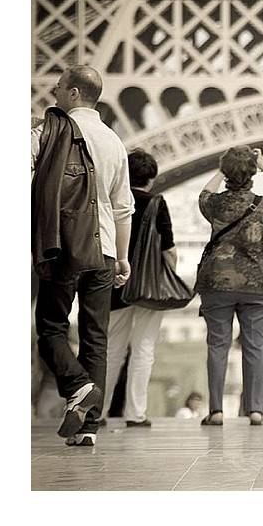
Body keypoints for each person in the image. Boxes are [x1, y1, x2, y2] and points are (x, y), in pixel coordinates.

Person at [32, 65, 134, 447]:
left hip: (65, 245)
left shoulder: (49, 130)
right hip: (104, 249)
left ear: (74, 93)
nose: (54, 93)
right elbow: (124, 208)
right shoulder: (114, 141)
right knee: (96, 338)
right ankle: (89, 426)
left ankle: (78, 385)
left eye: (59, 87)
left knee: (51, 328)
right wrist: (123, 257)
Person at [195, 146, 263, 427]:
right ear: (252, 174)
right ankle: (256, 410)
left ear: (226, 173)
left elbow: (204, 194)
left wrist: (222, 168)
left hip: (217, 283)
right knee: (256, 347)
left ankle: (216, 411)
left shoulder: (214, 205)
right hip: (257, 284)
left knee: (217, 346)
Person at [102, 149, 176, 429]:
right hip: (148, 287)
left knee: (112, 350)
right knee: (144, 349)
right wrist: (167, 276)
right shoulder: (156, 203)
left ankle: (98, 411)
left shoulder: (112, 200)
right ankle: (135, 413)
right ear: (152, 178)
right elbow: (169, 249)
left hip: (115, 282)